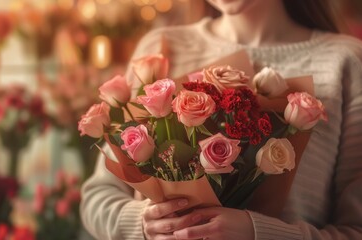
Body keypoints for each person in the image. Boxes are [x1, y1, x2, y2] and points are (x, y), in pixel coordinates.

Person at [80, 0, 362, 239]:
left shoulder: (344, 62)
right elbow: (98, 197)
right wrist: (143, 223)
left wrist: (258, 233)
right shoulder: (162, 48)